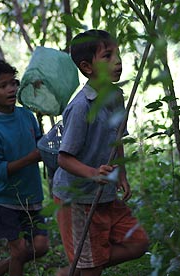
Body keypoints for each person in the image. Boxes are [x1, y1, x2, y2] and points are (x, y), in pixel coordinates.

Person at [53, 29, 149, 276]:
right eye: (107, 56)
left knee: (138, 242)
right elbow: (63, 158)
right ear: (87, 67)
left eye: (117, 54)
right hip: (76, 198)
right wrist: (93, 173)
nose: (117, 62)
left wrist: (123, 175)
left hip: (103, 193)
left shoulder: (116, 97)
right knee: (91, 269)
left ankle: (77, 268)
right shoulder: (81, 107)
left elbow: (116, 140)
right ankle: (81, 267)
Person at [0, 60, 49, 276]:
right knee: (20, 250)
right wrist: (31, 158)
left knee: (41, 246)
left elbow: (38, 143)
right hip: (4, 200)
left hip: (30, 195)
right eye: (3, 86)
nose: (11, 89)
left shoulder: (26, 115)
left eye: (13, 83)